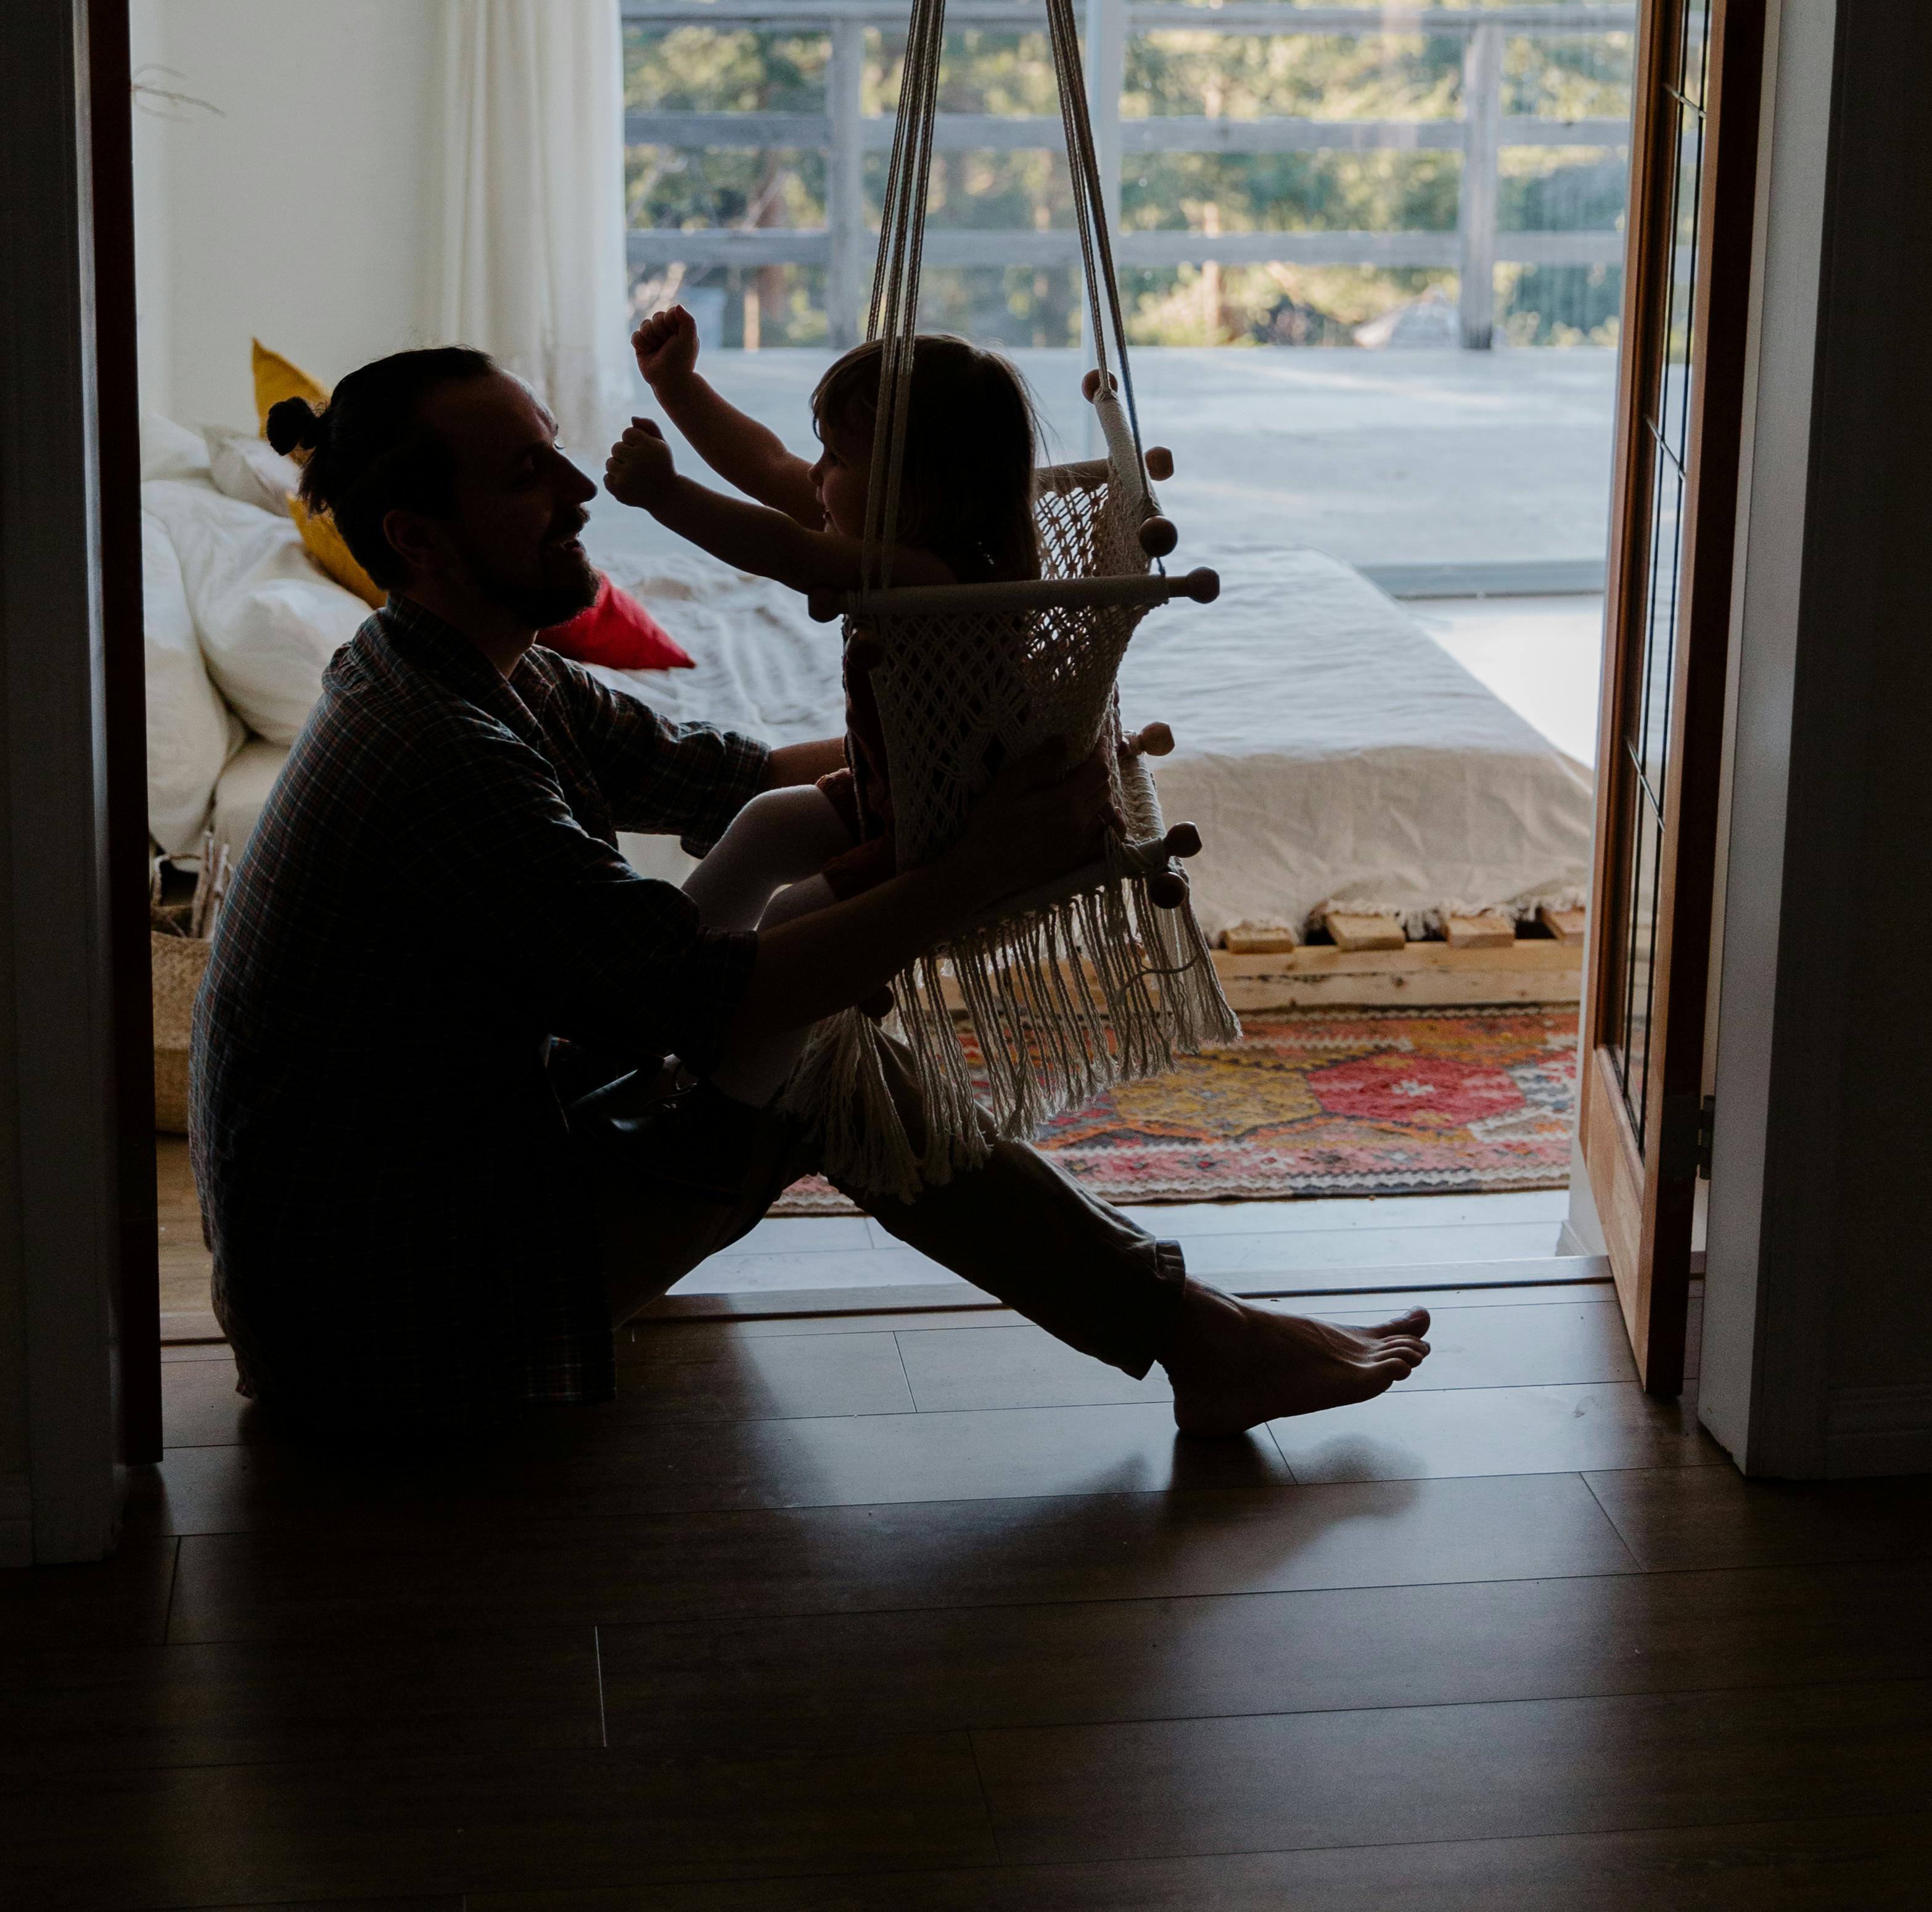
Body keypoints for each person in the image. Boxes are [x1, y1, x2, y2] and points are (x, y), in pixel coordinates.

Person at [193, 346, 1428, 1448]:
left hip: (416, 1236)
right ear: (417, 536)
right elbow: (714, 1002)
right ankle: (1201, 1340)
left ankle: (1196, 1334)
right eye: (528, 476)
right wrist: (980, 865)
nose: (580, 493)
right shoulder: (442, 753)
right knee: (820, 1062)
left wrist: (974, 761)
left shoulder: (460, 670)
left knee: (810, 1021)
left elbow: (718, 775)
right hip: (394, 1326)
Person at [604, 313, 1044, 1107]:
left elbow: (785, 547)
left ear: (923, 491)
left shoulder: (932, 578)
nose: (814, 472)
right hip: (897, 792)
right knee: (770, 823)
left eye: (838, 457)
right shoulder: (901, 535)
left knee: (792, 927)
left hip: (950, 825)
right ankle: (648, 1003)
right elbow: (769, 465)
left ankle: (737, 1101)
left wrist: (666, 496)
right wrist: (678, 387)